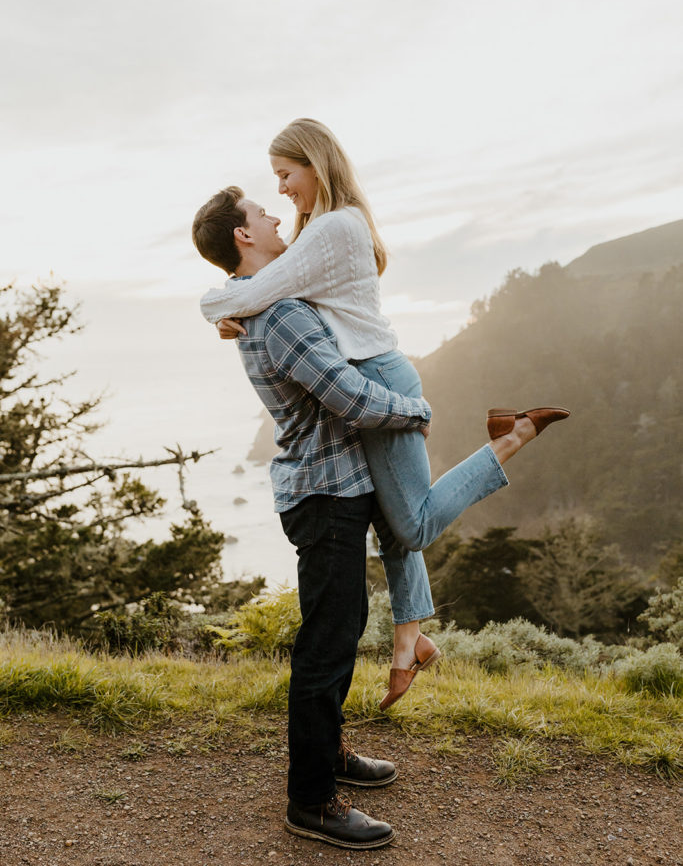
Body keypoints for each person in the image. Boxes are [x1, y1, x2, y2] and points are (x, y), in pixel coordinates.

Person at [200, 119, 569, 709]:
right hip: (366, 376)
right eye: (274, 181)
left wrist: (215, 308)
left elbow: (248, 292)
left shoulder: (334, 226)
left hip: (376, 380)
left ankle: (510, 436)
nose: (282, 190)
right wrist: (234, 314)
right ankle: (409, 645)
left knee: (412, 526)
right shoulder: (317, 231)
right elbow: (266, 290)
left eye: (285, 174)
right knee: (389, 519)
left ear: (315, 164)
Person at [192, 187, 440, 849]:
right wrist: (415, 411)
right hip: (324, 494)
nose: (275, 215)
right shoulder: (276, 316)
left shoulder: (263, 306)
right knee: (327, 644)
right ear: (243, 237)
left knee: (336, 629)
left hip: (327, 488)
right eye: (260, 213)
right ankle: (311, 803)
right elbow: (346, 393)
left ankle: (327, 759)